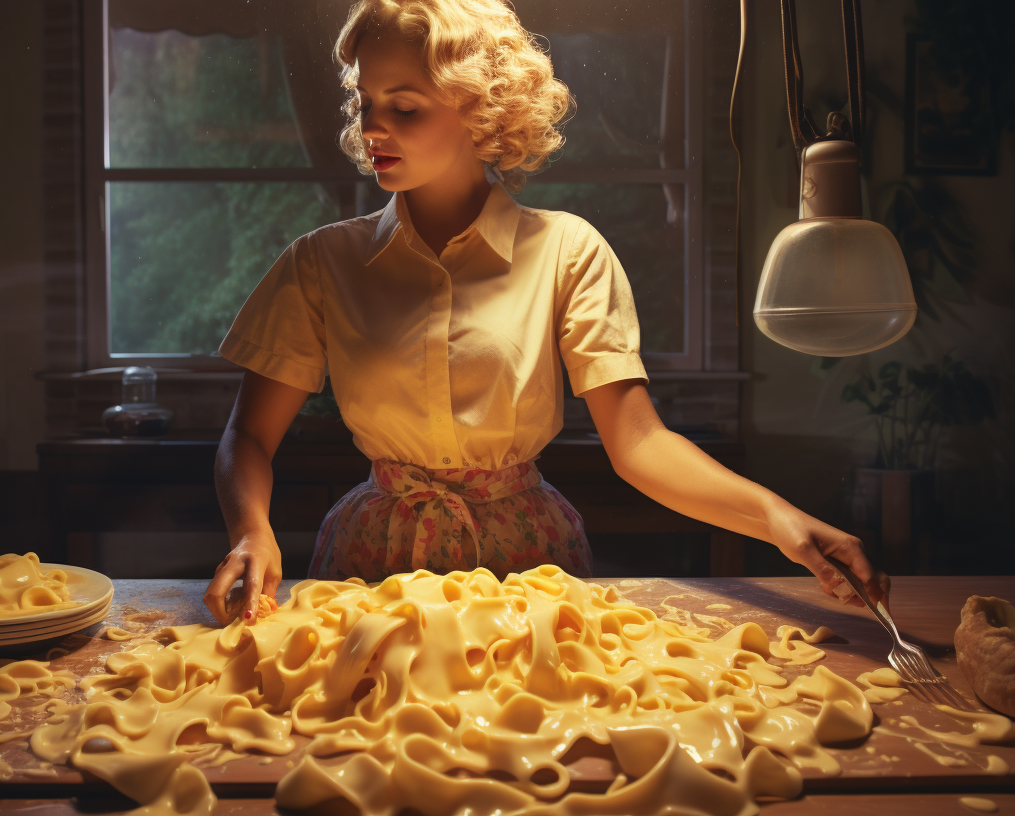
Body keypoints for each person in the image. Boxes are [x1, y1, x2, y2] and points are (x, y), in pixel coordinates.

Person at [204, 0, 890, 625]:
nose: (372, 127)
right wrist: (250, 529)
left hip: (525, 564)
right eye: (366, 103)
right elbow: (249, 438)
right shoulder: (322, 264)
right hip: (372, 565)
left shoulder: (568, 252)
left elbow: (640, 445)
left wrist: (779, 519)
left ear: (481, 110)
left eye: (405, 107)